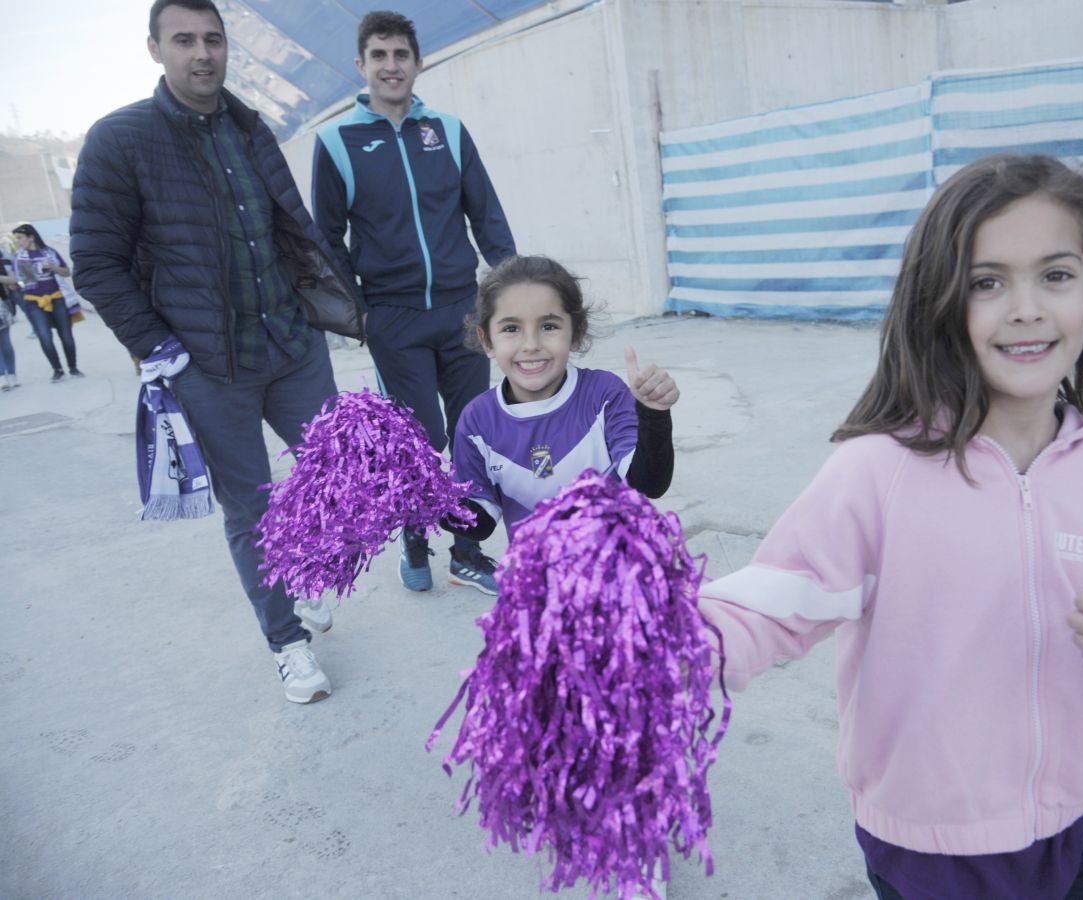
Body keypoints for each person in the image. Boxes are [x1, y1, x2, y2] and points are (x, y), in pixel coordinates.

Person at [696, 155, 1083, 899]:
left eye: (1055, 276)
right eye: (985, 282)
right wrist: (649, 650)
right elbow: (761, 608)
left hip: (1071, 826)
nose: (1024, 308)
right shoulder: (878, 469)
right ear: (941, 303)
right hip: (927, 850)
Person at [70, 0, 364, 704]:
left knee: (337, 476)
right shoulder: (120, 139)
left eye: (213, 39)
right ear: (155, 50)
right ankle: (287, 642)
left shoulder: (248, 125)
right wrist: (155, 345)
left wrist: (327, 297)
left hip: (291, 346)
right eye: (184, 41)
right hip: (207, 366)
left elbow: (286, 225)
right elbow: (95, 262)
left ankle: (302, 571)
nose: (202, 53)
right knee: (250, 509)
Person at [312, 10, 515, 596]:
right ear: (361, 65)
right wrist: (360, 311)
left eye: (401, 55)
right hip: (393, 317)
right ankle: (415, 541)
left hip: (460, 309)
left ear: (418, 63)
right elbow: (325, 240)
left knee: (474, 430)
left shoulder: (448, 131)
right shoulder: (336, 141)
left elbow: (486, 213)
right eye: (379, 55)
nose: (391, 65)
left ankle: (468, 550)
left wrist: (508, 294)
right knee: (418, 439)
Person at [450, 255, 678, 543]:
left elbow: (648, 485)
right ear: (487, 341)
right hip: (534, 583)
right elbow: (479, 523)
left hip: (620, 578)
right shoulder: (477, 421)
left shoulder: (604, 395)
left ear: (576, 334)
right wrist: (424, 497)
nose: (531, 345)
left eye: (549, 326)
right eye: (511, 329)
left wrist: (654, 414)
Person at [11, 224, 80, 381]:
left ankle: (73, 367)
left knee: (66, 335)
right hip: (34, 302)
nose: (18, 241)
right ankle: (57, 369)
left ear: (31, 237)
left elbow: (67, 272)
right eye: (17, 239)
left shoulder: (49, 252)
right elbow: (21, 283)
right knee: (44, 336)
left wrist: (53, 267)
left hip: (57, 298)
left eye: (20, 238)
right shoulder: (20, 257)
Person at [0, 252, 18, 390]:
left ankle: (10, 375)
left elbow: (12, 281)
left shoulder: (2, 261)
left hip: (1, 305)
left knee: (5, 342)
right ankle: (4, 377)